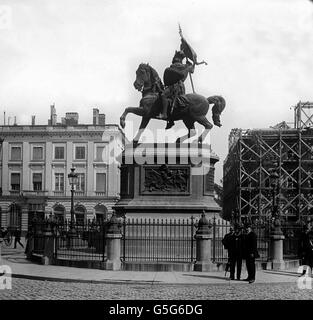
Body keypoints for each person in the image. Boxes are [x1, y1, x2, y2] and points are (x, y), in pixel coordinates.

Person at [158, 50, 195, 129]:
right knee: (170, 101)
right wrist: (191, 65)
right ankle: (170, 120)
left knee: (163, 95)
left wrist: (192, 64)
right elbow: (192, 70)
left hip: (176, 86)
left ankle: (164, 114)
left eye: (175, 57)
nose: (174, 58)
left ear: (178, 58)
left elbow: (191, 70)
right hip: (177, 86)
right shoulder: (184, 66)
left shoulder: (177, 65)